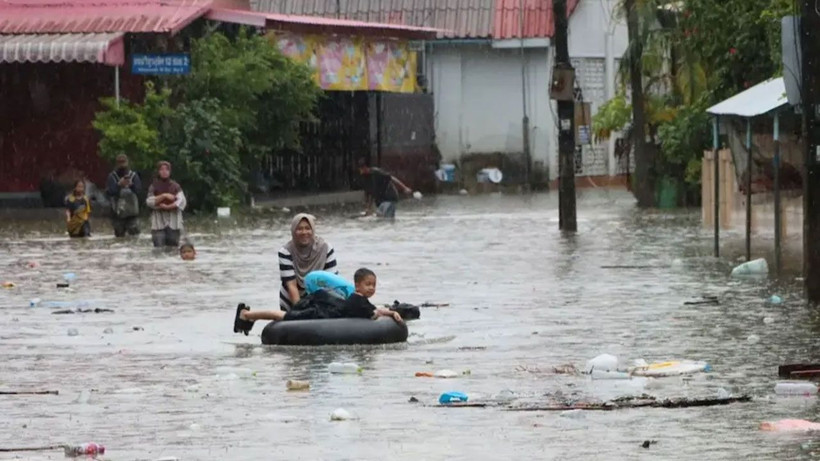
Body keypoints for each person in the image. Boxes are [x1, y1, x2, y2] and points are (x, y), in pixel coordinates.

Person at [233, 268, 403, 335]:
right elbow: (374, 313)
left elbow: (375, 310)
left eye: (374, 285)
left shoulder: (359, 299)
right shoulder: (358, 301)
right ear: (357, 286)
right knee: (284, 316)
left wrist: (391, 311)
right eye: (368, 285)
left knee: (284, 315)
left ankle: (250, 316)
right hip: (320, 314)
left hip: (324, 310)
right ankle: (247, 314)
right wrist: (390, 312)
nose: (371, 288)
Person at [277, 213, 338, 311]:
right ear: (293, 231)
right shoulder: (285, 251)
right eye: (299, 229)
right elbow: (291, 285)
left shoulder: (326, 248)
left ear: (313, 230)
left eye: (307, 228)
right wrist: (300, 310)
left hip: (320, 296)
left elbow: (331, 281)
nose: (304, 232)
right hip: (291, 299)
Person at [146, 161, 186, 248]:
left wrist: (169, 206)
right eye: (161, 169)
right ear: (158, 172)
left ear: (170, 171)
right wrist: (164, 196)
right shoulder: (153, 186)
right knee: (158, 250)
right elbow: (149, 202)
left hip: (174, 223)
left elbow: (182, 201)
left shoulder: (176, 186)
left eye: (166, 169)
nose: (164, 171)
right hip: (158, 223)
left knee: (173, 250)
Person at [105, 154, 142, 237]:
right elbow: (109, 192)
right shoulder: (112, 176)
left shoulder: (134, 176)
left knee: (135, 236)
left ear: (127, 162)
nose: (122, 165)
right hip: (117, 214)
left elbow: (139, 191)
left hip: (132, 214)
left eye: (123, 162)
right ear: (117, 164)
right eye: (120, 163)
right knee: (119, 237)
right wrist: (118, 185)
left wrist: (132, 185)